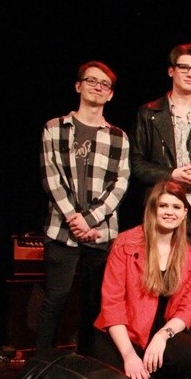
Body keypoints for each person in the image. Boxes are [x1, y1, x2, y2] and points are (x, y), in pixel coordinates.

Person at [37, 60, 129, 356]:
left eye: (105, 84)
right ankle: (41, 364)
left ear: (111, 94)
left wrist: (89, 220)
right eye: (91, 81)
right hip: (61, 230)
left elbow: (120, 184)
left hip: (100, 233)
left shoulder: (118, 137)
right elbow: (51, 177)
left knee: (94, 304)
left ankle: (88, 365)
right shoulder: (54, 128)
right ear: (78, 86)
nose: (98, 87)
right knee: (55, 299)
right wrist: (74, 220)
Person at [92, 181, 191, 379]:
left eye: (176, 207)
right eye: (163, 206)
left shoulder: (187, 255)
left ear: (184, 213)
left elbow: (187, 306)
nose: (169, 212)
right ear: (153, 209)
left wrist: (162, 335)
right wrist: (129, 355)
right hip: (121, 336)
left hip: (154, 336)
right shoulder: (126, 243)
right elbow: (112, 304)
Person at [130, 43, 191, 277]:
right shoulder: (148, 113)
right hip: (160, 207)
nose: (190, 73)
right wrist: (172, 175)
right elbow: (136, 164)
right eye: (184, 67)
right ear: (171, 71)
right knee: (155, 277)